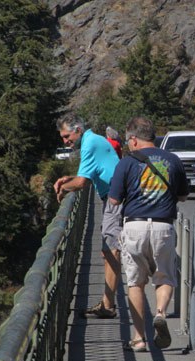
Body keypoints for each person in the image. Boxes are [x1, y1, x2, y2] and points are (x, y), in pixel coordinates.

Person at [108, 116, 189, 352]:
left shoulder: (126, 162)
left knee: (135, 282)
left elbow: (114, 199)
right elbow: (183, 195)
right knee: (164, 276)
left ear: (134, 139)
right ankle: (161, 313)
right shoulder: (173, 160)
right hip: (164, 226)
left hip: (134, 226)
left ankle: (139, 338)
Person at [53, 113, 122, 319]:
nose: (66, 141)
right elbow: (90, 175)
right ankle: (107, 302)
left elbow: (82, 183)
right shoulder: (94, 139)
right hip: (113, 197)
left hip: (114, 199)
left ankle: (108, 306)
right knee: (109, 251)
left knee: (110, 252)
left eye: (67, 136)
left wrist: (64, 188)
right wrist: (70, 179)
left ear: (78, 130)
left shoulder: (89, 144)